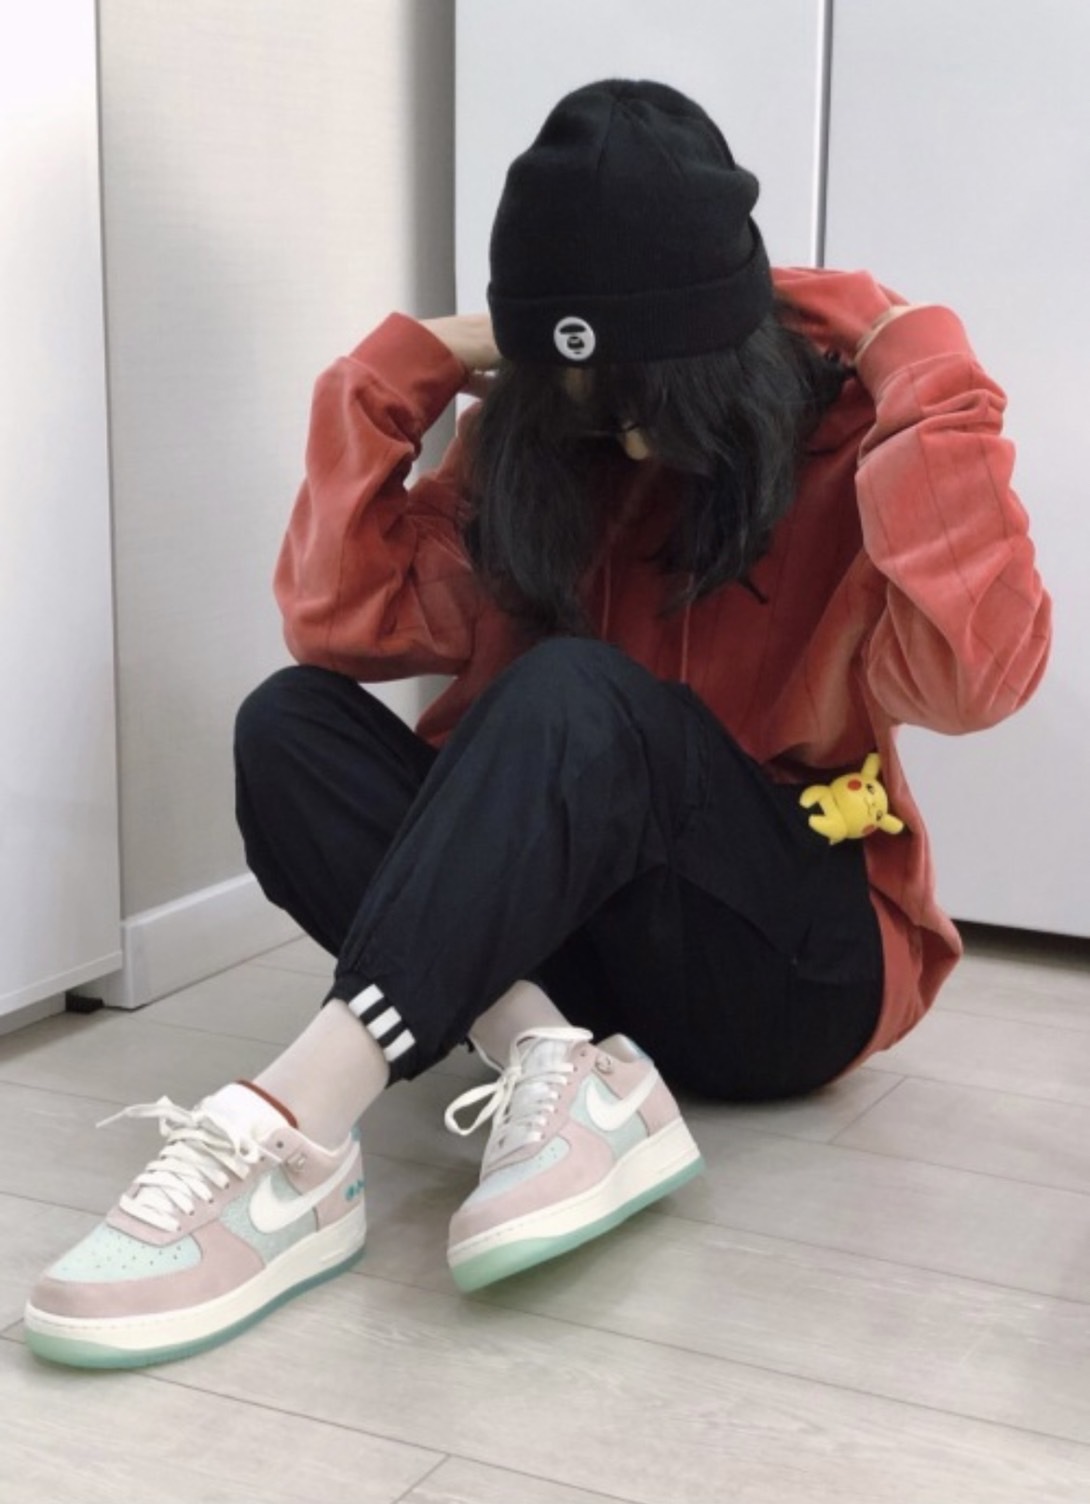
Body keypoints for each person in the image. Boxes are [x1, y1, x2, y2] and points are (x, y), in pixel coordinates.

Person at [24, 79, 1050, 1369]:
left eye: (650, 398)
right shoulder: (545, 453)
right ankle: (554, 1067)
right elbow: (339, 622)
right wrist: (407, 365)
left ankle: (292, 1133)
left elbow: (979, 680)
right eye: (584, 399)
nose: (626, 439)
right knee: (288, 729)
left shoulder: (852, 439)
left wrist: (926, 369)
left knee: (573, 690)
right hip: (577, 957)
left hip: (783, 972)